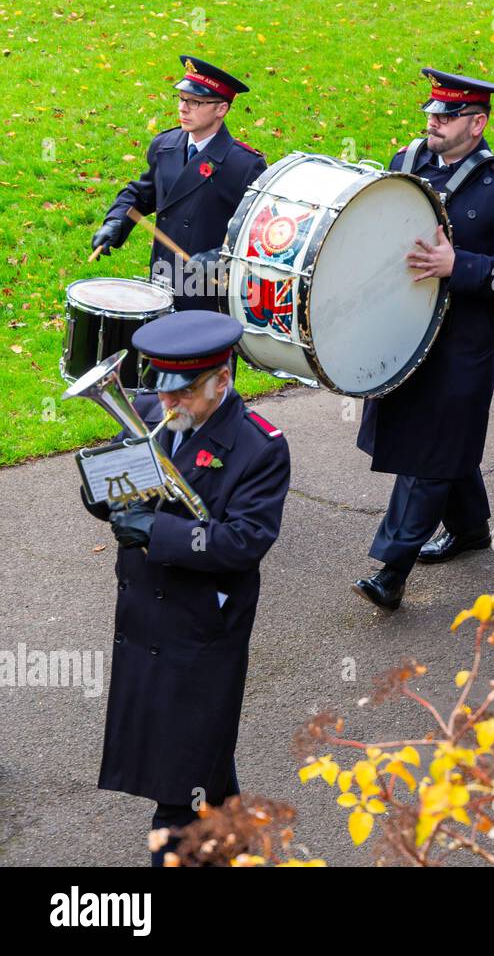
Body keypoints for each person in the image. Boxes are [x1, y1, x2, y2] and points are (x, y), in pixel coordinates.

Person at [79, 310, 291, 865]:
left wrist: (158, 532)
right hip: (146, 618)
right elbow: (115, 485)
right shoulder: (152, 411)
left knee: (177, 797)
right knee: (201, 761)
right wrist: (102, 497)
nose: (170, 405)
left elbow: (244, 543)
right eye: (165, 390)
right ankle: (236, 846)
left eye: (186, 393)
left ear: (224, 378)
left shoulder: (260, 447)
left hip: (202, 631)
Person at [353, 70, 494, 611]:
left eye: (447, 115)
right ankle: (472, 528)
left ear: (478, 124)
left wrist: (461, 265)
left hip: (464, 342)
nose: (432, 121)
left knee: (429, 451)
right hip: (405, 332)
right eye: (431, 113)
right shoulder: (405, 167)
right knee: (444, 441)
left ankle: (392, 569)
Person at [92, 56, 267, 310]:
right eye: (182, 99)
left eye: (195, 102)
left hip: (207, 294)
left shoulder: (244, 166)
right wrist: (116, 221)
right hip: (162, 283)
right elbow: (142, 194)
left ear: (221, 109)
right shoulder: (165, 146)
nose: (183, 108)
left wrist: (219, 258)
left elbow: (259, 236)